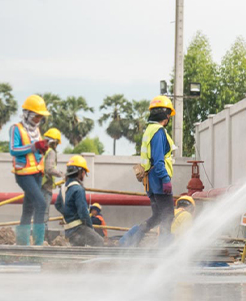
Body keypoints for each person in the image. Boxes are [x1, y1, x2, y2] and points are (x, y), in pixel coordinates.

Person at [119, 95, 176, 247]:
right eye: (169, 114)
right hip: (159, 181)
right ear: (165, 114)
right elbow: (158, 160)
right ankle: (165, 248)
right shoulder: (158, 131)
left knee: (157, 216)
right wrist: (165, 179)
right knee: (168, 215)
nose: (169, 117)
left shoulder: (149, 130)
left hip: (150, 181)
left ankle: (131, 239)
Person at [9, 94, 50, 246]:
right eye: (37, 116)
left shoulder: (36, 130)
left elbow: (35, 151)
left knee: (29, 208)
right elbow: (13, 150)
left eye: (41, 117)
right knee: (41, 203)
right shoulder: (16, 129)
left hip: (37, 173)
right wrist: (33, 147)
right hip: (24, 174)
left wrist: (42, 149)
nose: (39, 119)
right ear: (28, 114)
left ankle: (22, 244)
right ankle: (38, 244)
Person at [55, 155, 105, 247]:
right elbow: (83, 212)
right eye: (84, 172)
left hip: (68, 230)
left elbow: (57, 204)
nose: (84, 175)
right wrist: (90, 228)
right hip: (78, 229)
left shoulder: (63, 187)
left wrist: (68, 214)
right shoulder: (78, 189)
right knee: (99, 242)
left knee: (78, 250)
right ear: (80, 171)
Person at [41, 128, 64, 226]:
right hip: (45, 186)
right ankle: (41, 234)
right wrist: (62, 175)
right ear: (54, 142)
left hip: (37, 185)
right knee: (44, 214)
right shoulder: (51, 152)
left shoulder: (41, 150)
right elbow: (49, 169)